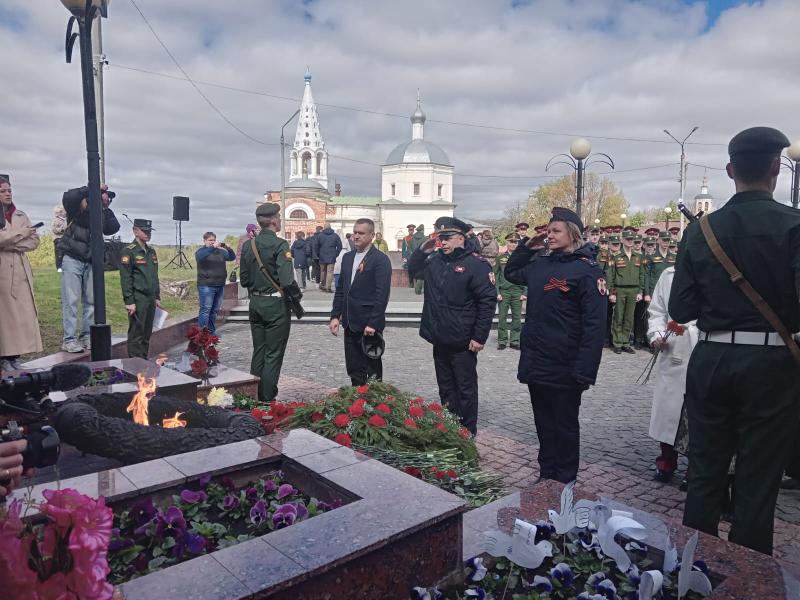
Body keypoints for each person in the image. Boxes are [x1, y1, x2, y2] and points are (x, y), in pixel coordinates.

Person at [669, 126, 800, 556]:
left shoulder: (701, 231)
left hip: (712, 357)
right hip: (771, 363)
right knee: (759, 478)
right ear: (776, 169)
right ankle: (748, 576)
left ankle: (695, 566)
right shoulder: (794, 226)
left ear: (730, 170)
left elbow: (681, 309)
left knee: (704, 471)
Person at [505, 207, 607, 484]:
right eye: (548, 231)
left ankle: (565, 479)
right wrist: (527, 247)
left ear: (572, 234)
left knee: (564, 425)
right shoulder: (540, 264)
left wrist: (585, 370)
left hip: (566, 363)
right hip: (538, 359)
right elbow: (512, 273)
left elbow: (594, 326)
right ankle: (546, 475)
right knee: (544, 424)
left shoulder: (587, 271)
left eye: (556, 231)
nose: (549, 236)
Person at [408, 217, 496, 435]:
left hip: (463, 339)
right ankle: (450, 425)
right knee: (446, 386)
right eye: (440, 238)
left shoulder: (476, 264)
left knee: (465, 387)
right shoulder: (435, 260)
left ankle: (467, 431)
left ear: (461, 238)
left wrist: (479, 337)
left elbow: (487, 302)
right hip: (439, 335)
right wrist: (422, 250)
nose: (443, 242)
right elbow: (413, 270)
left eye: (447, 238)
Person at [240, 203, 301, 403]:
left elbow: (245, 280)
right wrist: (296, 297)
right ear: (274, 221)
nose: (280, 221)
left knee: (259, 350)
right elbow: (286, 280)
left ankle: (251, 396)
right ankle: (266, 399)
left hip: (255, 303)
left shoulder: (249, 245)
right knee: (273, 354)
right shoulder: (281, 245)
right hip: (275, 306)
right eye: (279, 217)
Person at [647, 265, 698, 483]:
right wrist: (657, 335)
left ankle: (694, 468)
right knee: (669, 409)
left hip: (703, 346)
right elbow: (657, 311)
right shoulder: (670, 274)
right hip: (674, 348)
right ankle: (666, 461)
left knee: (698, 412)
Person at [330, 218, 392, 385]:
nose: (356, 236)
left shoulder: (380, 260)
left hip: (368, 324)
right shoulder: (348, 258)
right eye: (355, 232)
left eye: (361, 233)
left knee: (372, 369)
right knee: (354, 368)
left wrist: (373, 322)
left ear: (371, 235)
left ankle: (374, 405)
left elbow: (382, 294)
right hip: (350, 322)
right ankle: (356, 402)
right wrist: (335, 315)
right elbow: (341, 289)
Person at [59, 184, 120, 353]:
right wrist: (91, 189)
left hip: (92, 259)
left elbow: (113, 228)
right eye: (103, 196)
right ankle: (69, 339)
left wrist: (105, 208)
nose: (105, 199)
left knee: (91, 301)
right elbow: (68, 195)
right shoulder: (77, 206)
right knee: (71, 301)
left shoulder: (102, 213)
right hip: (72, 257)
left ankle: (86, 337)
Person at [0, 177, 43, 370]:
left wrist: (12, 242)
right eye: (3, 191)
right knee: (5, 315)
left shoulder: (20, 215)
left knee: (20, 315)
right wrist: (22, 234)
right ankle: (4, 356)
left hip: (20, 268)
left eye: (9, 190)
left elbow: (34, 241)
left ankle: (14, 356)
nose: (8, 193)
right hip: (3, 269)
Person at [119, 219, 160, 359]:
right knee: (137, 332)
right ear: (135, 231)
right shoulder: (128, 251)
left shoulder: (151, 251)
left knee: (147, 332)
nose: (148, 234)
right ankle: (134, 363)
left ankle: (143, 359)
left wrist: (157, 296)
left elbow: (154, 276)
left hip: (150, 298)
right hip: (138, 297)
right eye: (144, 231)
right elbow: (126, 278)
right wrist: (129, 300)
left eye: (149, 231)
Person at [608, 230, 645, 354]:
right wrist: (612, 292)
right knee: (618, 316)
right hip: (620, 289)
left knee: (629, 317)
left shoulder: (638, 256)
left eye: (632, 239)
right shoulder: (616, 256)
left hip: (633, 290)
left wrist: (640, 291)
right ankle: (617, 342)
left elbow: (641, 275)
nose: (630, 241)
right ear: (622, 240)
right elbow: (611, 275)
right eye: (627, 239)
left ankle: (625, 342)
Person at [195, 231, 235, 335]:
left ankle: (211, 332)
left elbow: (231, 257)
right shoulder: (201, 251)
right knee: (206, 309)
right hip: (206, 285)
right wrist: (212, 248)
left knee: (215, 310)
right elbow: (200, 257)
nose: (212, 242)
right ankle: (202, 334)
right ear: (204, 241)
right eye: (210, 240)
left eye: (214, 240)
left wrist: (229, 248)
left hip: (219, 285)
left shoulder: (220, 251)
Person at [495, 233, 526, 350]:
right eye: (511, 242)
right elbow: (496, 276)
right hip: (504, 291)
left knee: (517, 318)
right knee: (502, 317)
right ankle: (502, 340)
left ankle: (514, 340)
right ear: (506, 243)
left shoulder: (522, 259)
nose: (513, 244)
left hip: (518, 291)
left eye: (515, 242)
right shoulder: (500, 258)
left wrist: (525, 292)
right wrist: (497, 292)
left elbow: (525, 276)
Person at [317, 225, 342, 292]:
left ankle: (322, 285)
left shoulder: (320, 235)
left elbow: (316, 246)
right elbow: (340, 246)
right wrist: (336, 254)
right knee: (330, 272)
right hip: (331, 256)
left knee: (322, 271)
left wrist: (318, 254)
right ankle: (328, 287)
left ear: (324, 228)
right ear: (330, 227)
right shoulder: (335, 236)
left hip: (322, 256)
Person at [409, 224, 427, 295]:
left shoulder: (413, 238)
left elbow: (411, 248)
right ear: (422, 230)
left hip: (415, 257)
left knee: (416, 272)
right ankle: (420, 288)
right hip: (423, 257)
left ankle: (417, 288)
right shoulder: (425, 238)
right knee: (422, 272)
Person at [50, 204, 68, 271]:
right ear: (60, 213)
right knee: (59, 253)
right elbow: (54, 229)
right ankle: (59, 267)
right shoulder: (56, 220)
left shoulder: (64, 220)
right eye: (64, 211)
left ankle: (63, 266)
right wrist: (62, 229)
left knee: (64, 253)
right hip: (58, 238)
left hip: (63, 238)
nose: (66, 212)